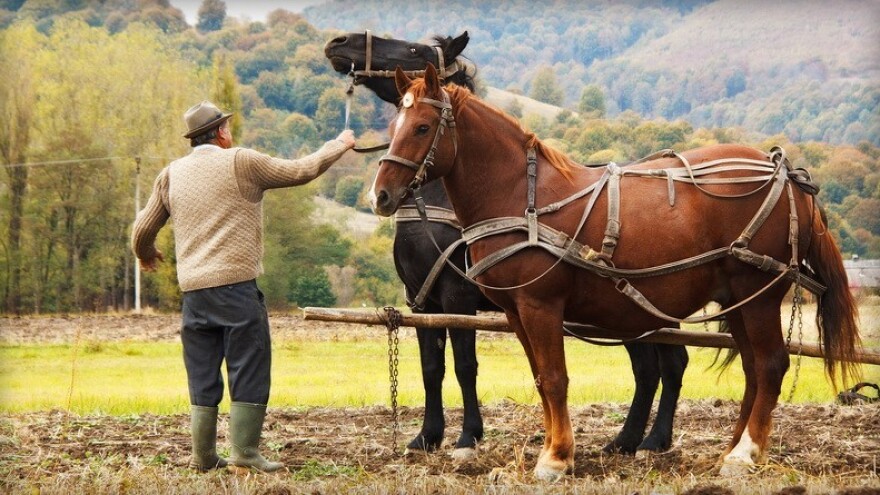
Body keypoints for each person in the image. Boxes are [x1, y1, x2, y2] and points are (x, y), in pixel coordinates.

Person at [131, 100, 355, 473]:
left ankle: (203, 457)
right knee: (249, 368)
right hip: (236, 290)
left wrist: (146, 254)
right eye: (227, 128)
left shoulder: (171, 174)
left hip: (194, 296)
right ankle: (245, 455)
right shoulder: (241, 161)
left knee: (202, 373)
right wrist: (339, 143)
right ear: (221, 132)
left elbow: (142, 229)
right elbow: (301, 170)